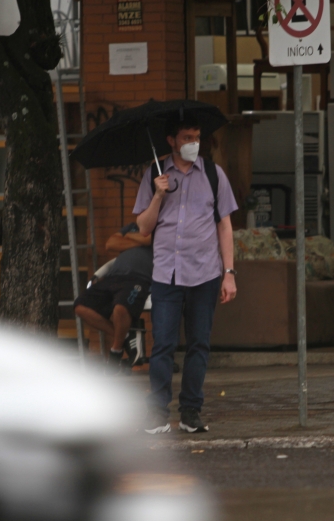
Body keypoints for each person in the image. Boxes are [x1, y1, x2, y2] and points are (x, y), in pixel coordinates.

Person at [133, 114, 238, 434]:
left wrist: (229, 272)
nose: (192, 143)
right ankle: (157, 412)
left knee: (198, 344)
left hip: (205, 272)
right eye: (186, 137)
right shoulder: (154, 173)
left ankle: (191, 411)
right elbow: (143, 227)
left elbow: (225, 225)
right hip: (167, 273)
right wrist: (158, 195)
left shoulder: (213, 174)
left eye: (196, 137)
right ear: (171, 141)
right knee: (162, 344)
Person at [74, 223, 153, 374]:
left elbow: (151, 239)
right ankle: (127, 335)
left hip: (139, 278)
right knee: (80, 306)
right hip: (113, 276)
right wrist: (142, 239)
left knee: (120, 308)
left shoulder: (165, 227)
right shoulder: (134, 225)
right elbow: (110, 244)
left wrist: (128, 237)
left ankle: (116, 352)